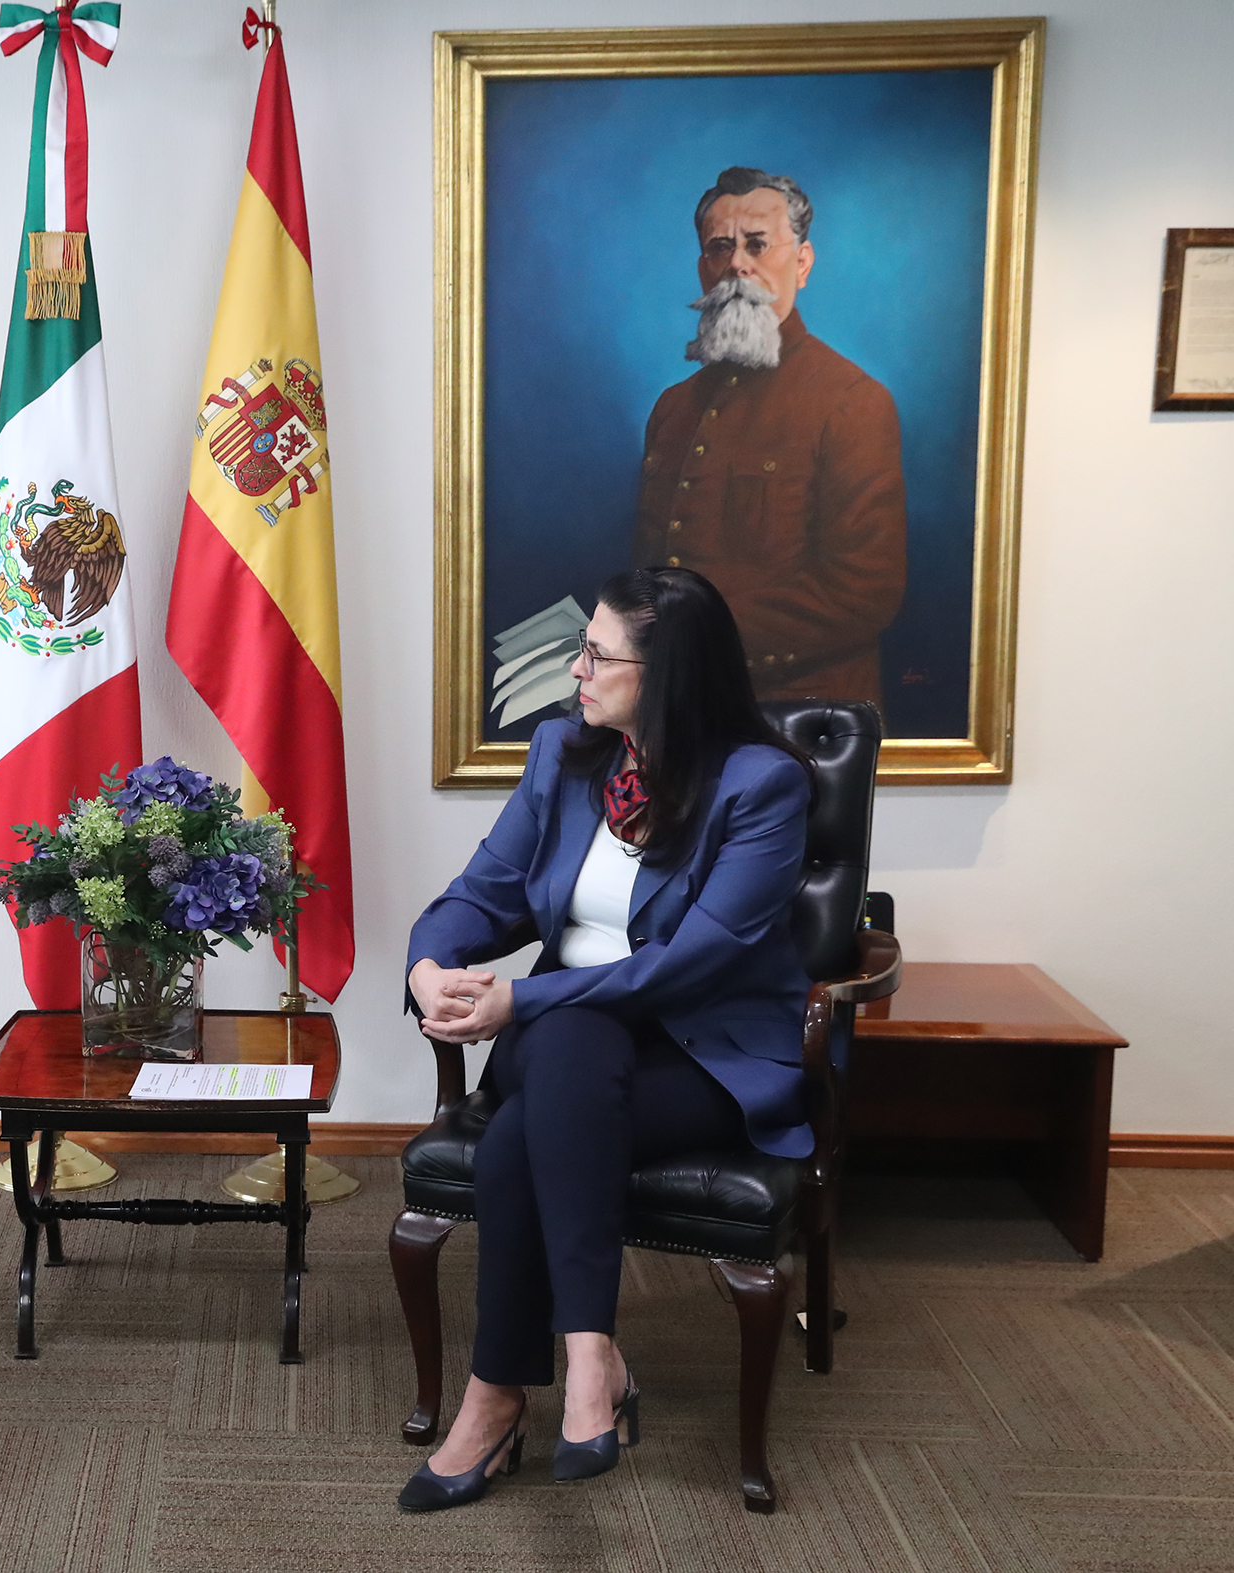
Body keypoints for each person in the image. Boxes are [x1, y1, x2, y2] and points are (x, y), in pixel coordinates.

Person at [397, 565, 815, 1514]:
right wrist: (428, 964)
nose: (575, 670)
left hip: (699, 1052)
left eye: (596, 654)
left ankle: (496, 1397)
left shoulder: (763, 785)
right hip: (562, 1040)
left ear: (666, 675)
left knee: (519, 1132)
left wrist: (521, 1001)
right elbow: (479, 893)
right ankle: (592, 1358)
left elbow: (691, 964)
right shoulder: (565, 753)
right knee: (576, 1031)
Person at [629, 166, 905, 708]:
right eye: (720, 247)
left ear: (802, 263)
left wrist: (696, 640)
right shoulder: (674, 408)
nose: (738, 263)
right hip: (679, 706)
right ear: (703, 269)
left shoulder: (853, 401)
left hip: (798, 717)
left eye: (757, 244)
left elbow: (862, 591)